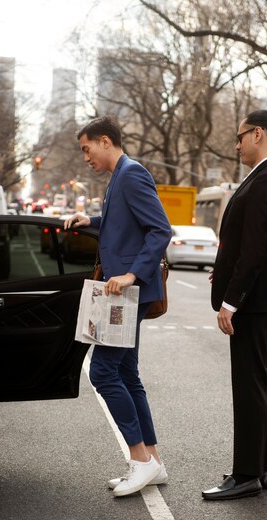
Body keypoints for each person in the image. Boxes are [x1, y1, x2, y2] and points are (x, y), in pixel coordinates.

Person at [64, 116, 172, 497]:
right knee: (127, 373)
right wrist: (90, 220)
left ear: (105, 141)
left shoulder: (131, 174)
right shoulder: (120, 176)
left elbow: (161, 229)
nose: (85, 157)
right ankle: (153, 461)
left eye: (86, 148)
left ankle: (139, 460)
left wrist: (131, 275)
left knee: (102, 372)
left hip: (127, 292)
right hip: (124, 293)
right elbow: (123, 224)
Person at [202, 110, 267, 501]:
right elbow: (248, 243)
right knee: (264, 382)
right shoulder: (266, 177)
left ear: (257, 134)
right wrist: (223, 274)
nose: (237, 144)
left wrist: (230, 302)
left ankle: (245, 475)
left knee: (251, 386)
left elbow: (257, 250)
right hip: (262, 298)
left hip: (256, 301)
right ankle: (260, 468)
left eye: (240, 137)